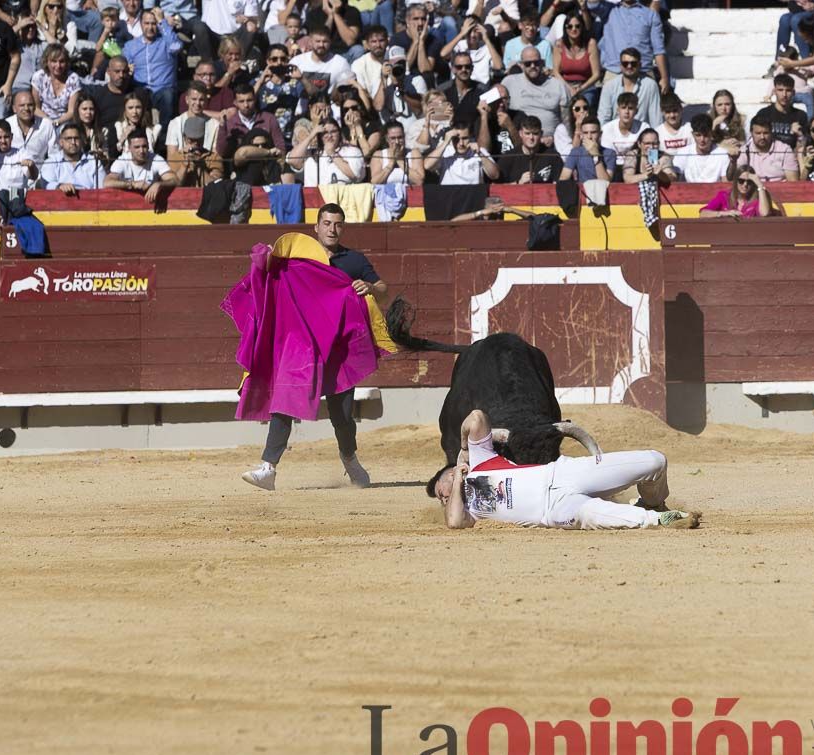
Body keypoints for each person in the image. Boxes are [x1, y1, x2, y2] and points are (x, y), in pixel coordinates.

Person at [242, 204, 384, 491]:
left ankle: (349, 458)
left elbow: (383, 287)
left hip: (338, 350)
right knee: (285, 400)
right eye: (327, 223)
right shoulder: (297, 258)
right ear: (316, 227)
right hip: (304, 346)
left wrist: (369, 287)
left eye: (338, 224)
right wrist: (265, 258)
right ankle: (268, 467)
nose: (332, 229)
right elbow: (266, 276)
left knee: (342, 416)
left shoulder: (353, 260)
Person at [434, 409, 696, 530]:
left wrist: (464, 449)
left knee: (655, 461)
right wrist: (457, 483)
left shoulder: (480, 461)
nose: (443, 498)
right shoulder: (470, 512)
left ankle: (653, 504)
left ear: (449, 471)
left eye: (440, 490)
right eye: (441, 500)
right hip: (553, 510)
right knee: (596, 515)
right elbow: (454, 522)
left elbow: (476, 418)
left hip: (562, 473)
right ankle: (660, 519)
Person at [501, 46, 572, 145]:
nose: (532, 66)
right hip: (517, 142)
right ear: (521, 65)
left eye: (536, 62)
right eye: (528, 64)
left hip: (551, 143)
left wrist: (556, 139)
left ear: (542, 63)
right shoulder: (509, 82)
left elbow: (567, 122)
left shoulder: (557, 85)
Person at [598, 0, 668, 92]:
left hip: (643, 73)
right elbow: (593, 4)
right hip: (614, 73)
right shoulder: (609, 10)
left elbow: (658, 49)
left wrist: (664, 77)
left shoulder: (650, 15)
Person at [104, 127, 178, 204]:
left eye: (144, 146)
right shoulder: (123, 160)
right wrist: (132, 184)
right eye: (137, 147)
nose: (141, 151)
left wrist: (159, 184)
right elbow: (107, 182)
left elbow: (174, 180)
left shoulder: (156, 159)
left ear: (148, 146)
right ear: (129, 148)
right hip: (125, 205)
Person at [597, 46, 660, 128]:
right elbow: (603, 118)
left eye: (633, 64)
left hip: (641, 135)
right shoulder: (609, 86)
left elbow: (656, 119)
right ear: (620, 66)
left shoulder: (650, 85)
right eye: (625, 63)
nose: (629, 66)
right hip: (615, 136)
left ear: (640, 65)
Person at [39, 121, 104, 192]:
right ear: (61, 142)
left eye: (76, 138)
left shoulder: (94, 162)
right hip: (59, 200)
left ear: (81, 141)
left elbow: (101, 189)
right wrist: (59, 186)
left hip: (88, 201)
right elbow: (46, 184)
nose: (73, 142)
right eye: (69, 138)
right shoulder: (52, 161)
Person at [0, 119, 38, 190]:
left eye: (6, 137)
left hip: (14, 196)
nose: (3, 141)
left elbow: (33, 176)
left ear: (11, 137)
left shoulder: (21, 152)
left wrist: (31, 166)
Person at [497, 116, 563, 183]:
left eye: (535, 133)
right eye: (527, 133)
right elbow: (496, 187)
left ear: (541, 133)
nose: (531, 137)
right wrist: (519, 182)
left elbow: (559, 186)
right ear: (520, 133)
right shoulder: (508, 157)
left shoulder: (553, 156)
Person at [737, 112, 801, 181]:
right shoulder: (744, 150)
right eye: (758, 133)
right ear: (751, 133)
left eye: (766, 133)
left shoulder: (785, 150)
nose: (762, 137)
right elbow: (735, 178)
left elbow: (793, 182)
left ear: (771, 132)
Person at [700, 167, 781, 218]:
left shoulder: (757, 200)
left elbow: (764, 214)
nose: (745, 185)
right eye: (741, 181)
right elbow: (703, 214)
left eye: (749, 182)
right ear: (735, 181)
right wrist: (724, 213)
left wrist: (759, 184)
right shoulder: (724, 196)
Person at [676, 114, 735, 183]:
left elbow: (726, 183)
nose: (702, 140)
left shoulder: (723, 154)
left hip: (716, 193)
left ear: (711, 134)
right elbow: (675, 180)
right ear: (692, 134)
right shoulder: (683, 153)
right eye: (698, 135)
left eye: (706, 135)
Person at [559, 115, 616, 181]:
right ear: (582, 135)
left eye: (593, 132)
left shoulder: (610, 153)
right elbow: (563, 178)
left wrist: (596, 156)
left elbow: (606, 182)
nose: (589, 136)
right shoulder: (576, 152)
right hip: (582, 190)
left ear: (600, 134)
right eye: (585, 133)